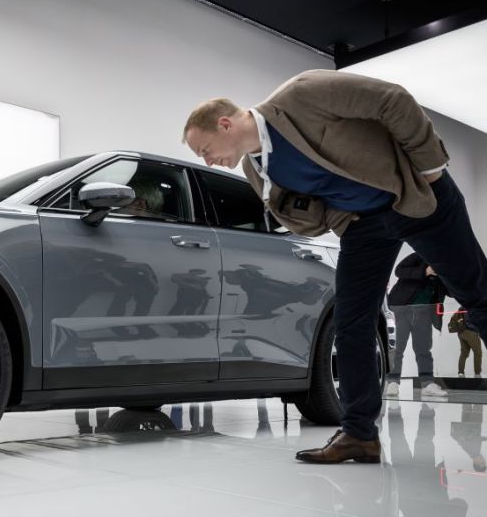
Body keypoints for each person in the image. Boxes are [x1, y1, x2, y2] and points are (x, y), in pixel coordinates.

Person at [182, 69, 487, 464]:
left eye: (205, 149)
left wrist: (430, 167)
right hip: (363, 224)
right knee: (352, 323)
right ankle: (359, 434)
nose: (208, 160)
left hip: (415, 195)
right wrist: (338, 220)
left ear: (224, 124)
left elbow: (392, 100)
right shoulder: (255, 169)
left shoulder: (302, 94)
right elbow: (305, 214)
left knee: (477, 295)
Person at [385, 252, 447, 398]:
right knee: (397, 348)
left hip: (424, 313)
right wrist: (425, 271)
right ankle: (393, 381)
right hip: (401, 309)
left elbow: (449, 291)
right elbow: (399, 270)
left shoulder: (447, 265)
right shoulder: (420, 254)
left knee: (423, 349)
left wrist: (450, 277)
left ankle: (427, 383)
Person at [449, 311, 483, 378]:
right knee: (478, 353)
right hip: (471, 333)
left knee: (464, 353)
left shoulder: (459, 311)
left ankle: (461, 373)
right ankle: (477, 374)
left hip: (461, 334)